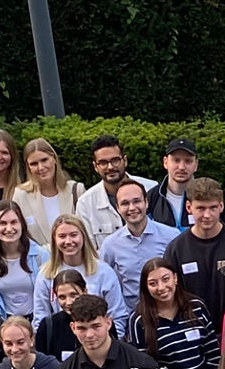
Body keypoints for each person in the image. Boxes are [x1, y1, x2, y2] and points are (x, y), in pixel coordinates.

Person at [164, 177, 225, 321]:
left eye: (213, 208)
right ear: (189, 207)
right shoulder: (176, 249)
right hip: (192, 329)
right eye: (201, 208)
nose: (207, 215)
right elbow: (170, 296)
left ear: (221, 206)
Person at [97, 177, 176, 314]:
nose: (132, 208)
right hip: (132, 318)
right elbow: (103, 281)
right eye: (125, 203)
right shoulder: (110, 245)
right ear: (118, 208)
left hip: (169, 313)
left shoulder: (171, 236)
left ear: (146, 202)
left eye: (137, 201)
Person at [33, 214, 123, 325]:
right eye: (62, 236)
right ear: (54, 240)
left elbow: (117, 316)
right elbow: (40, 317)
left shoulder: (104, 272)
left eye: (73, 235)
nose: (68, 241)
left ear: (83, 236)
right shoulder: (46, 275)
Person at [77, 135, 160, 244]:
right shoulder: (86, 203)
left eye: (115, 160)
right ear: (95, 167)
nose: (110, 167)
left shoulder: (152, 189)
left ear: (124, 160)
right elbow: (88, 250)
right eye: (103, 163)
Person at [0, 202, 47, 318]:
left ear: (22, 224)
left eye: (14, 222)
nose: (9, 228)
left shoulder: (41, 255)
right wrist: (4, 327)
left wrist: (36, 327)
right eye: (2, 223)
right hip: (4, 323)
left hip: (38, 321)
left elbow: (46, 297)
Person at [13, 137, 87, 246]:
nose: (40, 167)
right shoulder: (20, 195)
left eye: (44, 160)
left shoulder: (76, 190)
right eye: (34, 164)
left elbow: (86, 231)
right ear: (28, 167)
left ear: (54, 159)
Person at [35, 270, 88, 359]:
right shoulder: (48, 325)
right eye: (62, 297)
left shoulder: (99, 322)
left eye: (73, 295)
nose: (68, 302)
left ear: (85, 292)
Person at [146, 138, 198, 228]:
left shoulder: (207, 197)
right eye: (176, 160)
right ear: (165, 162)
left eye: (188, 161)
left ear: (196, 165)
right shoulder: (152, 197)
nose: (181, 167)